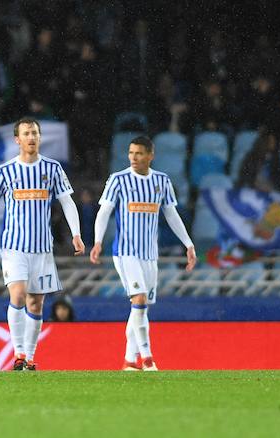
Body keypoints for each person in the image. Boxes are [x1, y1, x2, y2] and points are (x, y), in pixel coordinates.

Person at [0, 117, 85, 371]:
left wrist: (76, 233)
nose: (31, 137)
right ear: (17, 139)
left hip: (42, 248)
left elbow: (67, 202)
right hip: (14, 246)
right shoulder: (5, 171)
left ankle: (28, 356)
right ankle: (17, 353)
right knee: (17, 295)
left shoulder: (53, 168)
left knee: (36, 304)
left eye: (35, 133)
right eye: (26, 133)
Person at [89, 135, 196, 372]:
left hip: (150, 254)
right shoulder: (118, 180)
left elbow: (171, 215)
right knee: (139, 300)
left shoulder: (162, 181)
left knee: (139, 307)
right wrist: (97, 241)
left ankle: (129, 361)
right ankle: (147, 359)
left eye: (138, 153)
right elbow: (104, 211)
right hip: (125, 251)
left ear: (150, 155)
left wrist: (188, 244)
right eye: (130, 153)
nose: (133, 158)